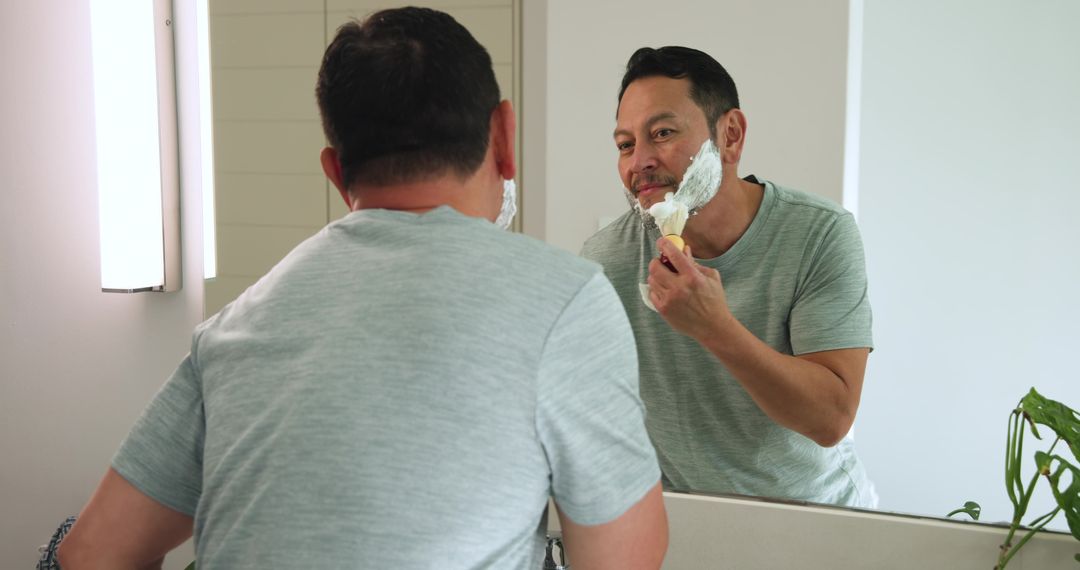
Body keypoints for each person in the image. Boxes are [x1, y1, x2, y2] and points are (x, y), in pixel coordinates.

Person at [54, 9, 667, 569]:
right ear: (504, 137)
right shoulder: (565, 299)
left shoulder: (238, 323)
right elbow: (623, 561)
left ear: (335, 171)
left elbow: (92, 553)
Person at [581, 46, 877, 508]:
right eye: (624, 144)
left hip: (818, 521)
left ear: (731, 136)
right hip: (691, 525)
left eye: (662, 133)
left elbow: (831, 418)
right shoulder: (608, 260)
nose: (638, 162)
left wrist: (715, 327)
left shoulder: (819, 234)